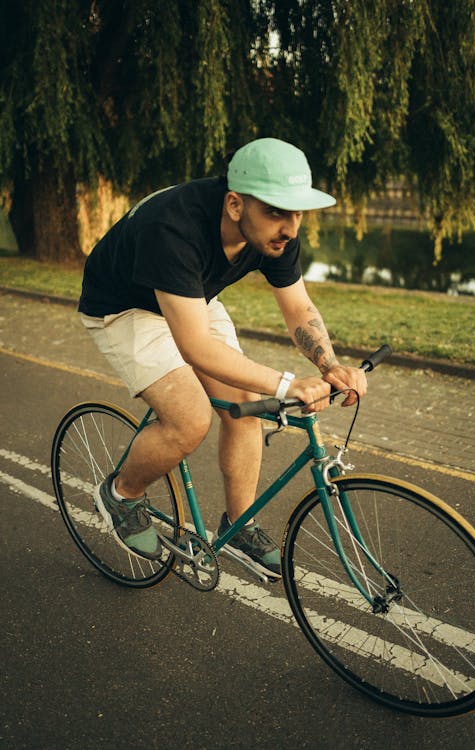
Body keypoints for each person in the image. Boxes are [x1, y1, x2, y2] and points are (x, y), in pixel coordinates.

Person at [78, 137, 367, 579]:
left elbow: (298, 308)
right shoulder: (173, 228)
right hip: (123, 306)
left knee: (246, 401)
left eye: (297, 212)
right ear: (235, 205)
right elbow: (195, 347)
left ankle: (240, 525)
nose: (290, 227)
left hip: (190, 295)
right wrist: (288, 384)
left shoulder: (276, 232)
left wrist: (330, 366)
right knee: (190, 419)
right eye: (275, 211)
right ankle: (122, 494)